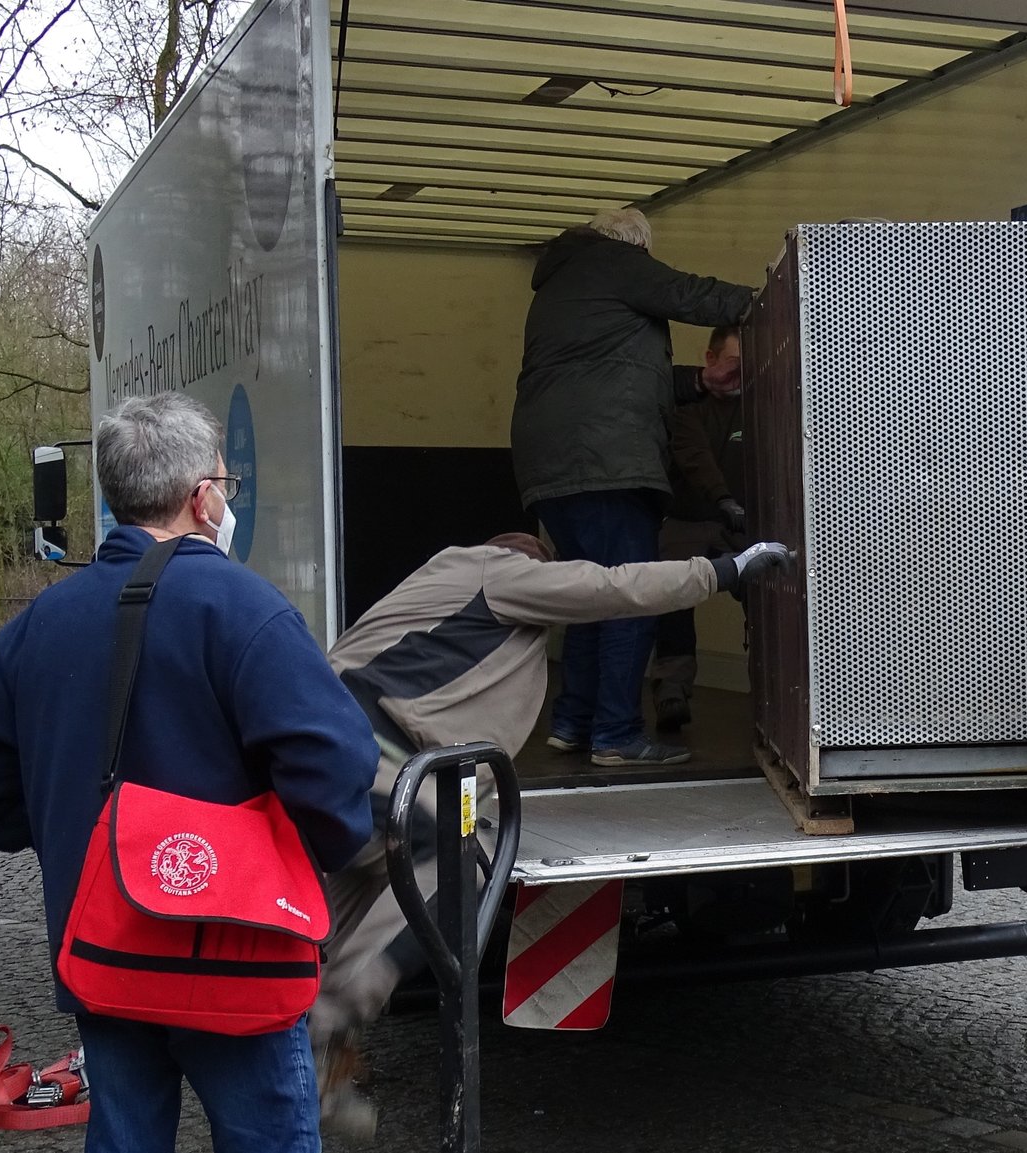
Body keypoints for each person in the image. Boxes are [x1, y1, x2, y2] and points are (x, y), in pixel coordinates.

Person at [0, 393, 377, 1153]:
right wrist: (306, 859)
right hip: (239, 956)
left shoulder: (45, 621)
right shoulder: (244, 607)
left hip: (105, 952)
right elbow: (336, 764)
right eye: (227, 482)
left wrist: (73, 834)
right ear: (203, 497)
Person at [312, 531, 790, 1136]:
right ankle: (332, 1019)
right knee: (455, 859)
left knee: (346, 901)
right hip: (380, 758)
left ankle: (300, 1055)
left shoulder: (437, 582)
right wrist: (723, 572)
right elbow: (611, 587)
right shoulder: (501, 573)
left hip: (330, 755)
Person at [511, 206, 756, 768]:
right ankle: (617, 733)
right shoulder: (614, 263)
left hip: (553, 466)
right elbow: (694, 295)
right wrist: (772, 299)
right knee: (631, 593)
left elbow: (614, 376)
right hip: (606, 464)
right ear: (635, 246)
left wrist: (701, 380)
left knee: (588, 594)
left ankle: (573, 723)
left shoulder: (563, 286)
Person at [650, 323, 749, 730]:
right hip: (689, 518)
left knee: (772, 597)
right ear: (710, 360)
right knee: (671, 594)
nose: (742, 375)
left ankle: (776, 694)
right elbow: (692, 455)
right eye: (734, 365)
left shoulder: (766, 403)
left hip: (745, 524)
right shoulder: (686, 403)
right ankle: (671, 687)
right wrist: (723, 498)